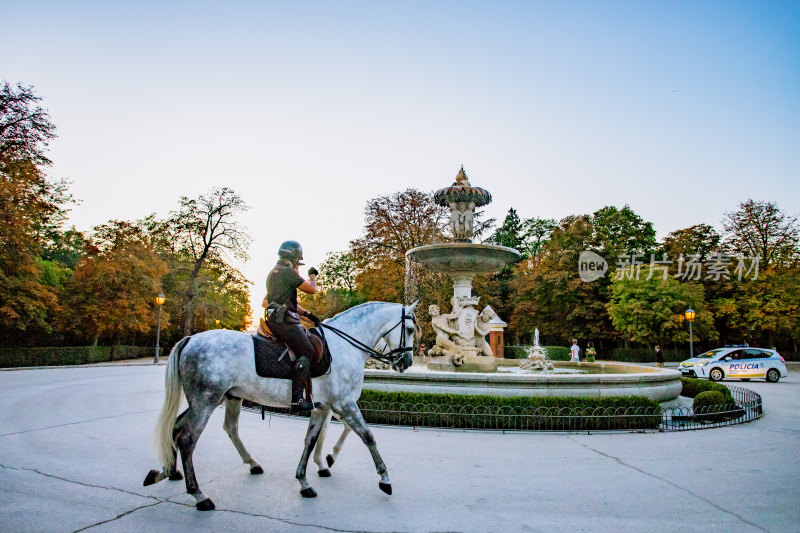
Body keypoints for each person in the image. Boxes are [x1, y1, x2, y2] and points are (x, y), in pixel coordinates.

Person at [264, 240, 320, 412]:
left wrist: (306, 314)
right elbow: (312, 289)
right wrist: (312, 276)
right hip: (285, 322)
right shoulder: (288, 272)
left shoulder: (273, 273)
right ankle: (297, 399)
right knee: (309, 350)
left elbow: (266, 302)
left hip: (274, 319)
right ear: (295, 258)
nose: (298, 266)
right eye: (298, 262)